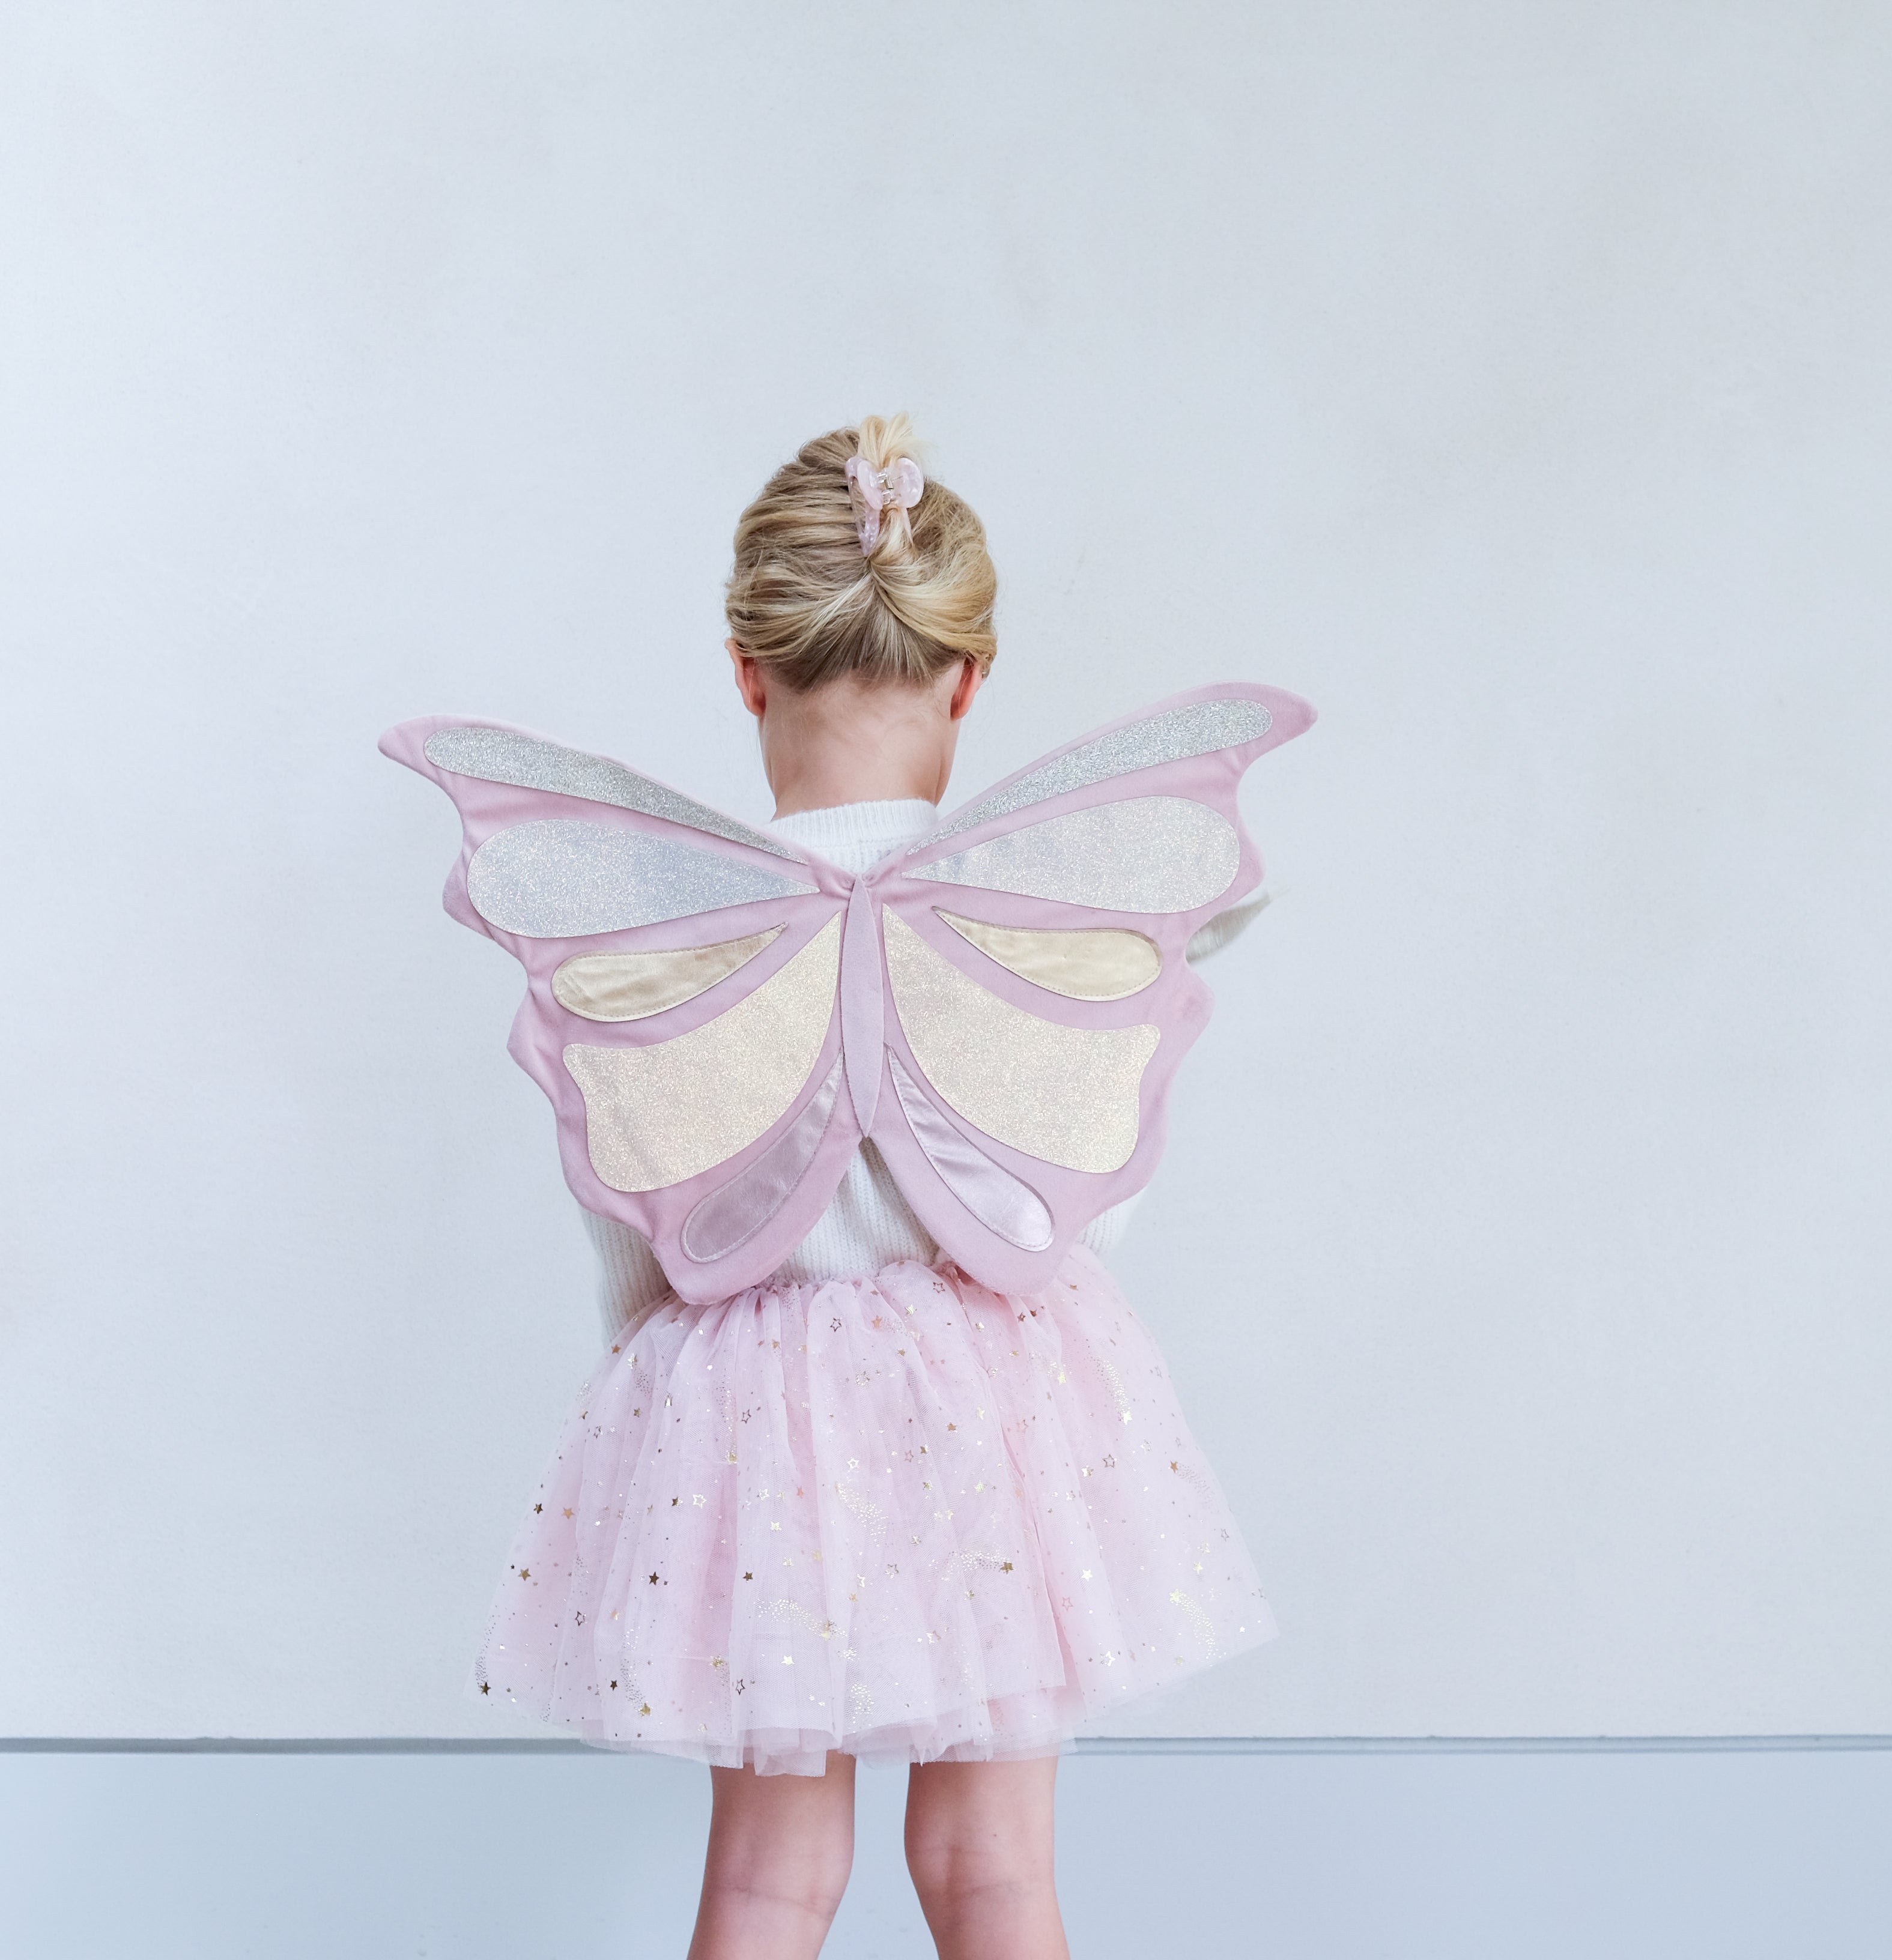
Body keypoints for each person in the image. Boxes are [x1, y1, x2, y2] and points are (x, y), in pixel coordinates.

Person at [389, 414, 1304, 1960]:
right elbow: (1077, 1206)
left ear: (748, 671)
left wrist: (668, 1361)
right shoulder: (1044, 910)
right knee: (993, 1870)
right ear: (970, 675)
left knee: (767, 1881)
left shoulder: (676, 929)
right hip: (1005, 1404)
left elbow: (640, 1229)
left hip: (749, 1408)